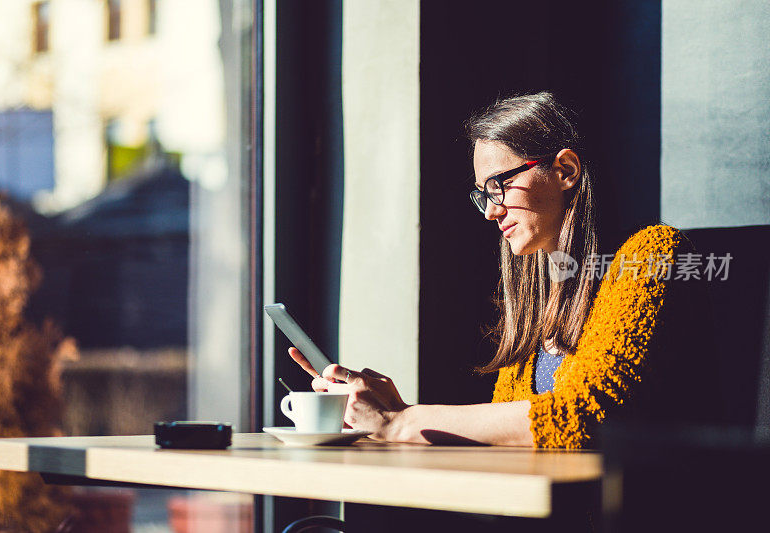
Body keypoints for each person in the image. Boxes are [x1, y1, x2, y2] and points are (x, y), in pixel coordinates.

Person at [289, 92, 716, 449]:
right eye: (483, 195)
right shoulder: (537, 287)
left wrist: (401, 422)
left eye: (500, 185)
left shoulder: (650, 253)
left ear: (565, 171)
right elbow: (509, 431)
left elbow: (589, 414)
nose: (492, 211)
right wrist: (394, 413)